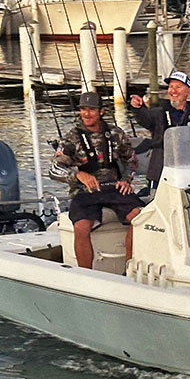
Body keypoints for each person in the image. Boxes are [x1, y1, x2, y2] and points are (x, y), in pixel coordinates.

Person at [49, 91, 143, 269]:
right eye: (83, 109)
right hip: (85, 192)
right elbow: (54, 169)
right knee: (81, 227)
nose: (86, 114)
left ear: (101, 111)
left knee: (140, 218)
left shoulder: (115, 134)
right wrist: (77, 175)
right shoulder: (71, 138)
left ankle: (130, 269)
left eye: (91, 109)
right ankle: (86, 274)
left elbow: (132, 160)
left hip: (114, 188)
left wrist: (126, 180)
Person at [128, 71, 190, 189]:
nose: (173, 91)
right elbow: (144, 118)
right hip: (159, 173)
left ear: (189, 91)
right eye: (171, 87)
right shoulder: (159, 113)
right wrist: (137, 108)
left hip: (186, 175)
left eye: (178, 87)